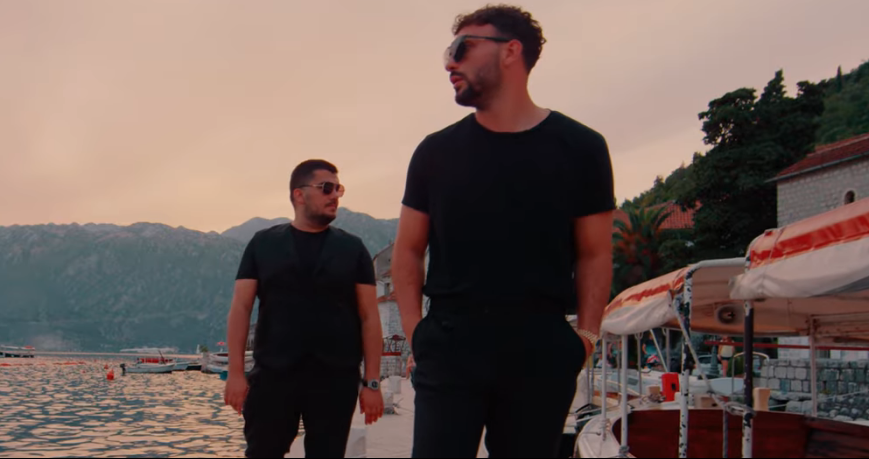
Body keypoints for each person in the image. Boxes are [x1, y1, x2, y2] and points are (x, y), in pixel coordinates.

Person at [392, 5, 615, 458]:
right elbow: (408, 250)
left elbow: (594, 253)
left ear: (511, 51)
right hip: (451, 341)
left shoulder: (582, 148)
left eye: (461, 48)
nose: (449, 63)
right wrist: (418, 334)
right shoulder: (435, 152)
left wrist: (587, 338)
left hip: (541, 345)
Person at [223, 159, 385, 458]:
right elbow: (241, 308)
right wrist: (235, 373)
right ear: (299, 194)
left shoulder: (353, 249)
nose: (335, 195)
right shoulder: (263, 244)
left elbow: (369, 317)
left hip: (335, 379)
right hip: (273, 376)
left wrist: (372, 383)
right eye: (327, 188)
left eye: (338, 189)